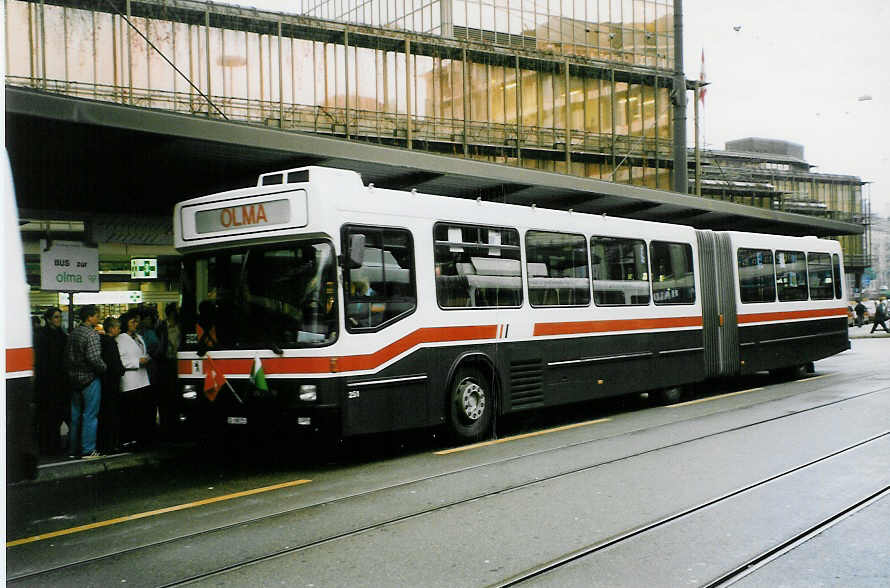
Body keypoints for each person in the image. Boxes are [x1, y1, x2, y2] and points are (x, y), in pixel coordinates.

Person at [64, 305, 106, 459]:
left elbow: (66, 357)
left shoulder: (73, 333)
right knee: (90, 414)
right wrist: (104, 368)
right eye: (97, 315)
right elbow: (95, 359)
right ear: (90, 317)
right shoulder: (91, 335)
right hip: (90, 378)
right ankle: (88, 450)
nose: (98, 318)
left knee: (75, 416)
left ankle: (73, 449)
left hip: (73, 379)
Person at [34, 306, 68, 455]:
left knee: (56, 415)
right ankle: (48, 446)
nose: (58, 320)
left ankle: (53, 445)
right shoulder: (43, 336)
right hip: (47, 382)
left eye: (59, 317)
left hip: (59, 381)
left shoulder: (61, 335)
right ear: (48, 319)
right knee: (48, 416)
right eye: (55, 317)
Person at [117, 310, 153, 449]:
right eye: (133, 322)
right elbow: (121, 361)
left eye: (136, 321)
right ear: (126, 323)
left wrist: (146, 358)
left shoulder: (138, 337)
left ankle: (140, 439)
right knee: (130, 413)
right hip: (130, 382)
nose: (136, 324)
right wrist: (138, 362)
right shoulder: (120, 339)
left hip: (143, 380)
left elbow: (143, 352)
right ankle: (128, 440)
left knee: (141, 412)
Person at [98, 316, 125, 453]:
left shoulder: (101, 341)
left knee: (104, 413)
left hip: (103, 381)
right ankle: (111, 444)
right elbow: (116, 364)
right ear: (111, 328)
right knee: (112, 413)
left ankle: (104, 442)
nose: (119, 330)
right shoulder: (111, 343)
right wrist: (122, 370)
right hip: (112, 382)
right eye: (117, 327)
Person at [156, 303, 181, 439]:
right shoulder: (161, 327)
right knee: (166, 395)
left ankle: (174, 425)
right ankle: (166, 426)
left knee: (175, 395)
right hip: (166, 363)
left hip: (179, 362)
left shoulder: (181, 326)